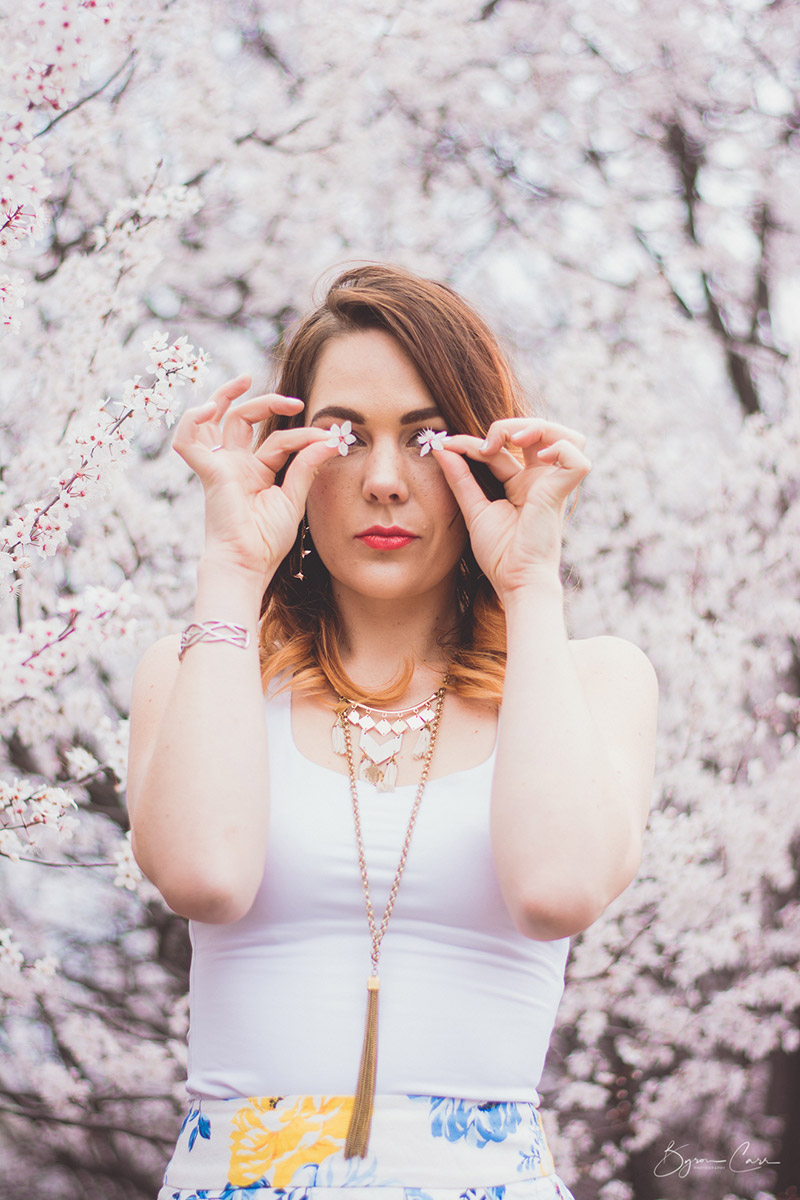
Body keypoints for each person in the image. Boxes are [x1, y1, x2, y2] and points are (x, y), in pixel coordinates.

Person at [127, 263, 658, 1200]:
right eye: (342, 434)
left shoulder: (590, 680)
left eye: (425, 439)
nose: (381, 481)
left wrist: (530, 585)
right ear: (288, 452)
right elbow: (205, 875)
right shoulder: (199, 670)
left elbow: (557, 890)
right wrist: (228, 564)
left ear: (485, 455)